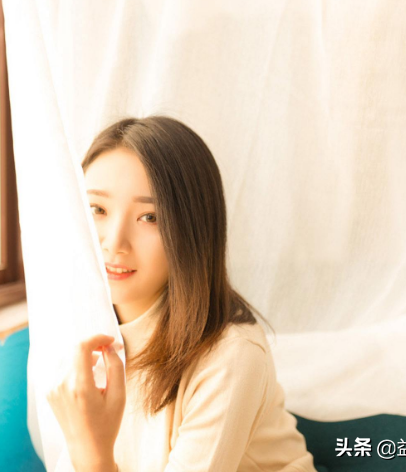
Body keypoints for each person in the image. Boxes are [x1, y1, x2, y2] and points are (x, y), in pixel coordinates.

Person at [46, 116, 316, 471]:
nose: (114, 242)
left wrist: (90, 450)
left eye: (150, 217)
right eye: (97, 209)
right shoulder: (85, 328)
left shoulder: (231, 355)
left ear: (191, 230)